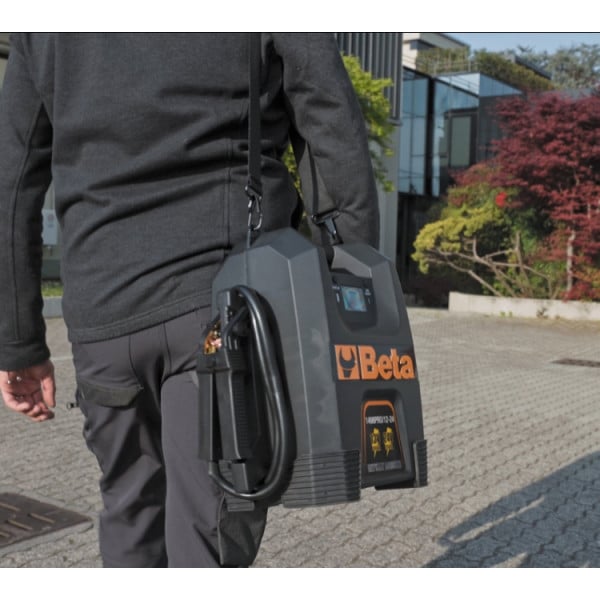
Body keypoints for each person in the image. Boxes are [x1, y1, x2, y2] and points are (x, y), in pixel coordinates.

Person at [0, 33, 379, 567]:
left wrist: (18, 342)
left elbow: (12, 176)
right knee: (210, 531)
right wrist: (353, 289)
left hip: (104, 313)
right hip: (227, 305)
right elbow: (329, 122)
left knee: (129, 512)